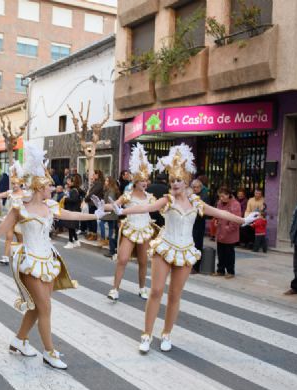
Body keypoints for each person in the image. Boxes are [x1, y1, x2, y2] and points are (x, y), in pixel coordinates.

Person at [0, 141, 108, 369]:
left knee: (38, 307)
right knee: (45, 308)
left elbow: (72, 216)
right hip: (28, 260)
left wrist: (96, 216)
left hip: (47, 260)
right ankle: (49, 352)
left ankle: (19, 340)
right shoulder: (20, 208)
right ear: (39, 186)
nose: (53, 188)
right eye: (48, 185)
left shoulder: (51, 206)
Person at [110, 144, 259, 353]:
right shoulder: (166, 200)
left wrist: (243, 220)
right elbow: (146, 207)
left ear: (186, 180)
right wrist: (123, 209)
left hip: (185, 250)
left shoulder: (197, 203)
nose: (175, 183)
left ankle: (167, 333)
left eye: (179, 180)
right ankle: (146, 335)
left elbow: (219, 212)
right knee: (156, 291)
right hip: (165, 247)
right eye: (172, 180)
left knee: (174, 295)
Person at [105, 144, 156, 300]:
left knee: (143, 261)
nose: (145, 183)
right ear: (135, 181)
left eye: (146, 180)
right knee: (122, 259)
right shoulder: (127, 196)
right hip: (130, 228)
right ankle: (115, 289)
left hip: (145, 229)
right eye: (142, 180)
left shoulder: (150, 197)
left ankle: (142, 288)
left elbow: (160, 207)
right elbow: (115, 205)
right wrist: (104, 206)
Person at [0, 162, 27, 265]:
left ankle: (24, 257)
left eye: (17, 184)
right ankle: (5, 257)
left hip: (21, 219)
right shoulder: (10, 193)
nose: (15, 186)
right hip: (10, 218)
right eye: (13, 183)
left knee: (20, 239)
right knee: (8, 237)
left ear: (20, 184)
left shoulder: (25, 194)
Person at [212, 187, 242, 278]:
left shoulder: (235, 204)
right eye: (220, 196)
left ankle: (230, 271)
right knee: (220, 252)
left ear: (228, 195)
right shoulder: (219, 203)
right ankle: (220, 270)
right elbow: (217, 213)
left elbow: (236, 219)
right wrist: (216, 220)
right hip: (220, 231)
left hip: (230, 233)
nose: (221, 198)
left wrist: (228, 228)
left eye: (223, 196)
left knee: (229, 253)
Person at [99, 176, 120, 252]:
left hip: (110, 211)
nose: (105, 182)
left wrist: (103, 205)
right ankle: (109, 243)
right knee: (111, 228)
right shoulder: (110, 189)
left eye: (107, 181)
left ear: (110, 182)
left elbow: (110, 201)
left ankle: (105, 240)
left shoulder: (111, 190)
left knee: (103, 223)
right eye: (105, 181)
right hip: (111, 212)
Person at [62, 174, 83, 248]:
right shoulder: (75, 190)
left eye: (69, 181)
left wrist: (65, 199)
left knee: (71, 226)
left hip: (73, 210)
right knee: (71, 227)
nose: (67, 182)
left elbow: (74, 200)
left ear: (73, 182)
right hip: (73, 210)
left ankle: (70, 242)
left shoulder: (74, 190)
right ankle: (76, 241)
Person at [83, 169, 104, 241]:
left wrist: (86, 198)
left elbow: (93, 193)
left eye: (94, 174)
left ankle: (94, 234)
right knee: (90, 218)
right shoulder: (95, 183)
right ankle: (91, 233)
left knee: (93, 219)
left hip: (94, 203)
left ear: (98, 175)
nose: (93, 175)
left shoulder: (99, 183)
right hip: (91, 203)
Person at [191, 179, 206, 274]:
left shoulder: (204, 197)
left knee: (197, 245)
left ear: (200, 187)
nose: (195, 189)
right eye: (194, 187)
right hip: (191, 224)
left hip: (198, 224)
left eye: (197, 187)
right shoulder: (191, 196)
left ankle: (196, 267)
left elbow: (203, 212)